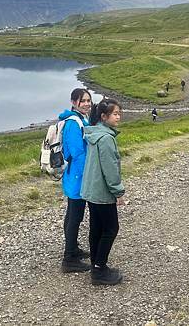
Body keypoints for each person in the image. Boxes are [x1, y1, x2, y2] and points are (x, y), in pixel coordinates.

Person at [81, 99, 125, 285]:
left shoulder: (94, 133)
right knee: (110, 228)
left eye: (119, 113)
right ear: (103, 116)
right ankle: (99, 270)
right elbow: (110, 168)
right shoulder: (106, 138)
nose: (118, 117)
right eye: (115, 114)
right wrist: (118, 192)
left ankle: (96, 265)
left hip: (91, 190)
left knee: (97, 228)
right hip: (102, 192)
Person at [59, 88, 93, 273]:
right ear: (74, 102)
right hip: (77, 177)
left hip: (76, 176)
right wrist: (87, 175)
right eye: (83, 101)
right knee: (74, 216)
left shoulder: (81, 119)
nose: (87, 103)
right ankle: (68, 259)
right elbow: (78, 153)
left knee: (74, 214)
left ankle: (73, 249)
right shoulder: (74, 123)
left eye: (89, 100)